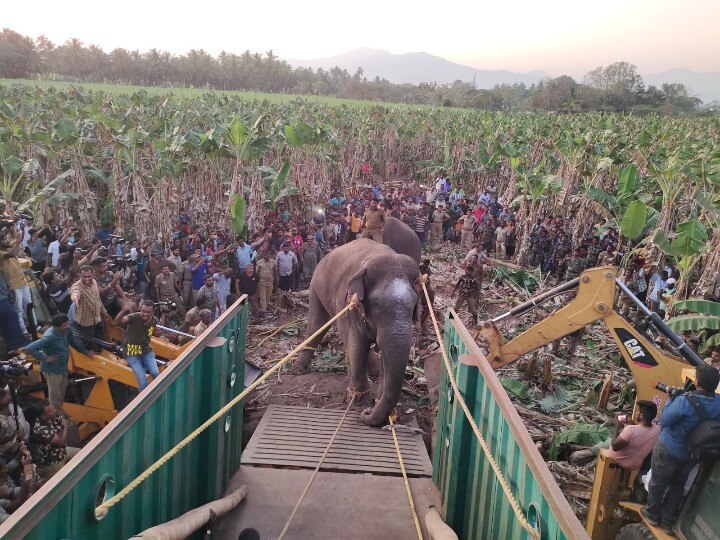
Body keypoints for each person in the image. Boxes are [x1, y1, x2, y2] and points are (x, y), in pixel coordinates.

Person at [643, 365, 720, 533]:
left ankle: (651, 513)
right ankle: (667, 520)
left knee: (658, 481)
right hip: (693, 454)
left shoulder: (685, 401)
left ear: (697, 381)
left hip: (669, 449)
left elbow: (664, 420)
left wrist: (671, 400)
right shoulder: (718, 403)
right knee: (678, 485)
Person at [25, 313, 90, 411]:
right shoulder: (50, 337)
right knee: (55, 398)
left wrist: (85, 352)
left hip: (62, 368)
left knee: (61, 395)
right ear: (56, 326)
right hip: (52, 371)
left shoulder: (67, 330)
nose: (67, 326)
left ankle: (58, 412)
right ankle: (56, 417)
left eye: (67, 324)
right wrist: (45, 358)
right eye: (64, 325)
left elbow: (73, 341)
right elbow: (30, 348)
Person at [592, 401, 660, 470]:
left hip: (619, 460)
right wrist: (631, 423)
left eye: (637, 411)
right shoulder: (657, 429)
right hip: (636, 465)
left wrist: (617, 426)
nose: (636, 413)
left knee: (594, 449)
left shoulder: (630, 429)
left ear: (642, 415)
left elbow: (615, 447)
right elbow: (641, 431)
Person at [114, 300, 160, 391]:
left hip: (146, 352)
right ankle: (145, 402)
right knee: (143, 380)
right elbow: (117, 321)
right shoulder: (134, 317)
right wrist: (123, 311)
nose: (145, 314)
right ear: (140, 310)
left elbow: (154, 331)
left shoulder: (154, 320)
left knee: (156, 374)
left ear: (153, 312)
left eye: (148, 312)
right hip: (131, 353)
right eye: (143, 311)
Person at [30, 401, 79, 480]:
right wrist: (65, 427)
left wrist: (61, 433)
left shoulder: (53, 416)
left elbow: (63, 418)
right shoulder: (39, 429)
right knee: (62, 481)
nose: (54, 411)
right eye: (51, 411)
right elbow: (60, 442)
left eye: (52, 408)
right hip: (53, 462)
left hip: (63, 451)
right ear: (43, 415)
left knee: (82, 454)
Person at [70, 265, 111, 351]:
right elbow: (75, 292)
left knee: (100, 339)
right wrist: (75, 298)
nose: (87, 279)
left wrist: (104, 312)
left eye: (89, 276)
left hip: (97, 319)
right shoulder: (77, 286)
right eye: (84, 277)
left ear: (93, 275)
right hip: (85, 323)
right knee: (90, 344)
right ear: (79, 276)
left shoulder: (94, 282)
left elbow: (97, 299)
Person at [0, 231, 33, 337]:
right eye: (3, 239)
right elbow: (12, 254)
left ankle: (34, 326)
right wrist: (17, 243)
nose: (6, 240)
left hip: (23, 282)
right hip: (14, 286)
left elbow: (16, 249)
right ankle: (23, 331)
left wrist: (21, 234)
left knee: (29, 305)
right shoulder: (1, 253)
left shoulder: (8, 248)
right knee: (18, 309)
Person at [0, 269, 29, 353]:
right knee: (12, 317)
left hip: (4, 298)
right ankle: (21, 343)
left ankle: (11, 346)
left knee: (3, 323)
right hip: (2, 300)